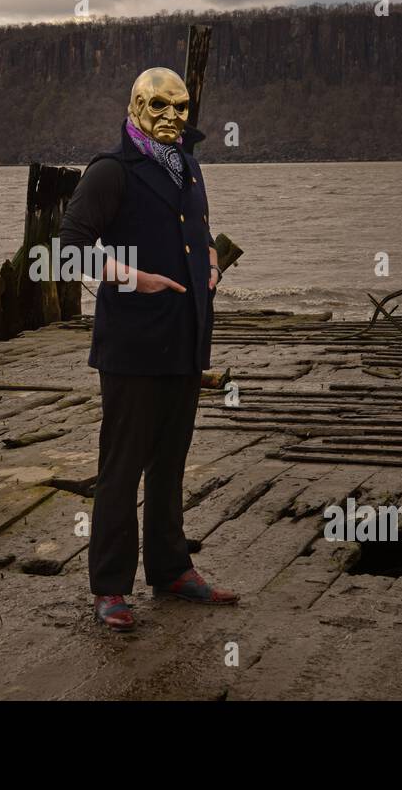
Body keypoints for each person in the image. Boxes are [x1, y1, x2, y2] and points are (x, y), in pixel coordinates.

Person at [58, 66, 240, 633]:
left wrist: (209, 256)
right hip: (133, 344)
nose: (172, 117)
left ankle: (171, 570)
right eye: (159, 106)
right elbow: (68, 252)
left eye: (181, 107)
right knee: (121, 469)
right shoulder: (113, 171)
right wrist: (132, 276)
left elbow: (192, 228)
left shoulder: (187, 162)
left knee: (171, 463)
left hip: (185, 339)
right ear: (135, 106)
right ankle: (110, 587)